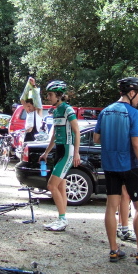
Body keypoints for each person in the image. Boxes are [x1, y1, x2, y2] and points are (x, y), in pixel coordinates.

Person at [94, 77, 138, 264]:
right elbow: (137, 143)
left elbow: (96, 138)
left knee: (111, 206)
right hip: (128, 165)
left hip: (109, 166)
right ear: (131, 93)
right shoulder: (133, 113)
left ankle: (114, 250)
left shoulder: (105, 112)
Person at [38, 80, 81, 232]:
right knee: (61, 186)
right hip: (59, 149)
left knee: (51, 185)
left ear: (58, 95)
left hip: (68, 150)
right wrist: (46, 152)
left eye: (50, 94)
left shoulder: (67, 109)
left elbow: (76, 131)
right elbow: (55, 134)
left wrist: (76, 153)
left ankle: (62, 219)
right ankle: (61, 218)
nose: (48, 97)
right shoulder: (55, 110)